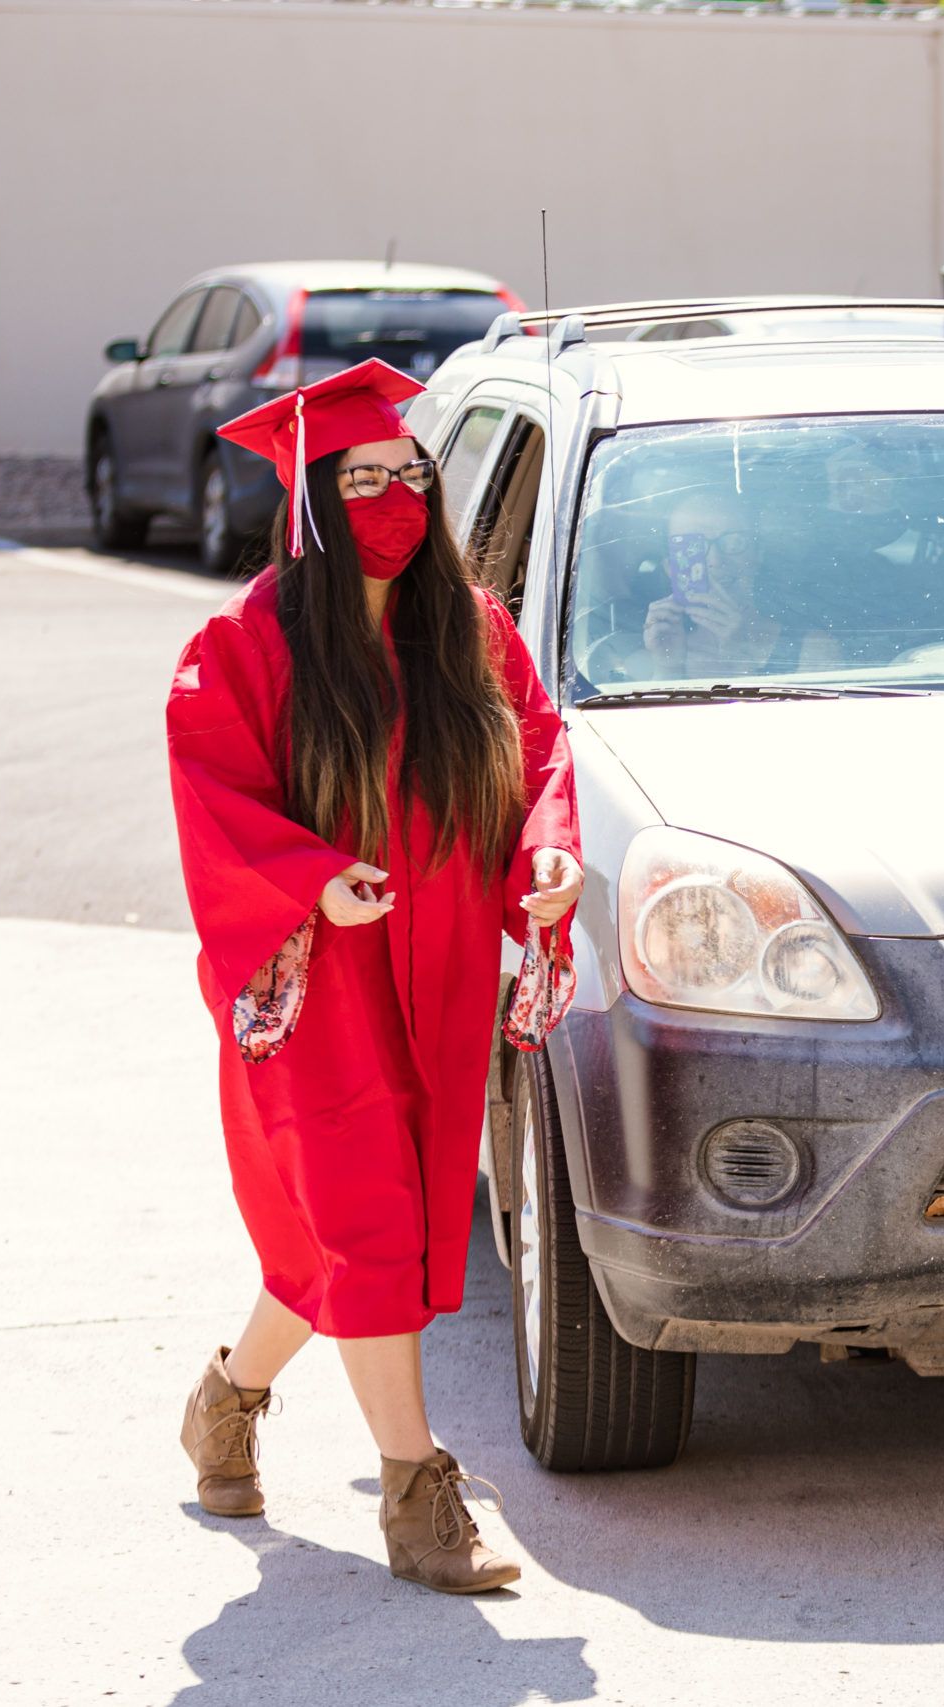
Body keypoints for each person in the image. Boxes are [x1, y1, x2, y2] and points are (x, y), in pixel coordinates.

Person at [165, 359, 585, 1594]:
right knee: (366, 1219)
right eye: (364, 479)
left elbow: (540, 746)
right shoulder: (246, 639)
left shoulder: (469, 627)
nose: (396, 496)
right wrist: (306, 876)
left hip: (443, 960)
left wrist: (546, 857)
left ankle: (224, 1406)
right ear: (313, 504)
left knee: (340, 1246)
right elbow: (210, 786)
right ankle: (416, 1496)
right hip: (319, 976)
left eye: (411, 473)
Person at [633, 490, 840, 678]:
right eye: (692, 547)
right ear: (671, 568)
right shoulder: (648, 657)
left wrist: (741, 661)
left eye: (735, 542)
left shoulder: (812, 648)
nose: (715, 560)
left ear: (759, 554)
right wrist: (668, 668)